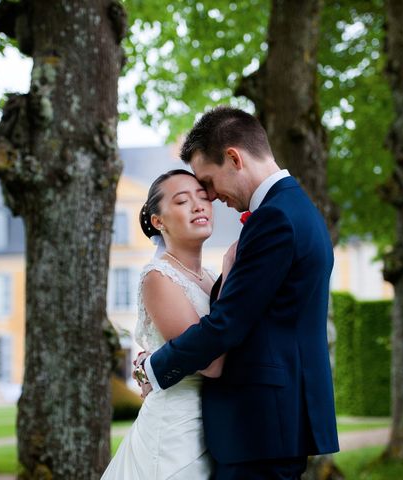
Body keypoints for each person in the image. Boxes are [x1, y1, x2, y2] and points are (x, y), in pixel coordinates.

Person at [135, 106, 339, 479]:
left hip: (259, 423)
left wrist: (153, 367)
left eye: (208, 182)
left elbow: (227, 324)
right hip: (266, 422)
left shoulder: (274, 218)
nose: (209, 198)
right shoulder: (294, 208)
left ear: (234, 157)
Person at [102, 169, 230, 479]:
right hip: (174, 433)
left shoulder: (212, 278)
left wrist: (148, 365)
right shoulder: (159, 277)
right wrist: (231, 267)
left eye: (203, 198)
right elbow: (210, 362)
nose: (199, 206)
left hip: (214, 424)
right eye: (183, 201)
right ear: (158, 221)